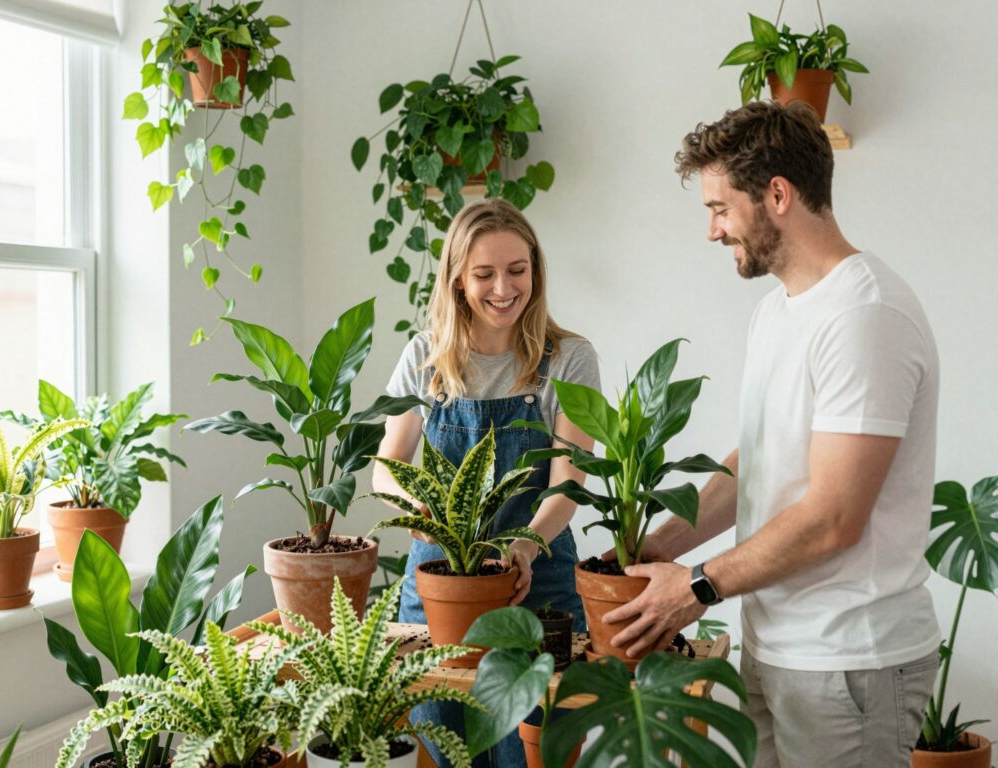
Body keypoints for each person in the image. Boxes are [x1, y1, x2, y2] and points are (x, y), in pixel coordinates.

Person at [601, 101, 941, 767]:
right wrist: (657, 545)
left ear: (778, 195)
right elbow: (758, 461)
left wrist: (695, 586)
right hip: (776, 644)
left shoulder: (864, 315)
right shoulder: (779, 312)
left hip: (849, 661)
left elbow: (834, 517)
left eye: (720, 207)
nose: (711, 230)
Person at [375, 197, 600, 768]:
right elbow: (387, 464)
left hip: (539, 584)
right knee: (447, 749)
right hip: (439, 589)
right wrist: (420, 510)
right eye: (484, 274)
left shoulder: (568, 359)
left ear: (536, 272)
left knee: (534, 753)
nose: (504, 287)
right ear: (456, 280)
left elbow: (566, 484)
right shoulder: (425, 357)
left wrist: (523, 547)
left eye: (518, 270)